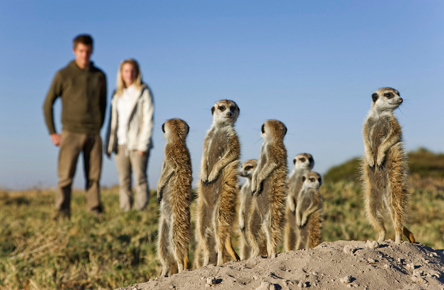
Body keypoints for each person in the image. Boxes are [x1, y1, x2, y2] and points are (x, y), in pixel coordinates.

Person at [43, 34, 107, 219]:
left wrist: (98, 126)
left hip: (94, 134)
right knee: (65, 177)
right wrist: (52, 131)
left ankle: (95, 212)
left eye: (87, 51)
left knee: (94, 177)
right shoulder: (63, 74)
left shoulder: (100, 75)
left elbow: (103, 105)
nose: (84, 55)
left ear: (92, 51)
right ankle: (62, 213)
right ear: (74, 51)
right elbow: (48, 103)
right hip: (70, 132)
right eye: (81, 51)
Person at [105, 59, 154, 211]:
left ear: (137, 72)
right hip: (120, 143)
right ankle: (126, 211)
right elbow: (113, 121)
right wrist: (109, 144)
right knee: (124, 180)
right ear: (121, 73)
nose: (129, 74)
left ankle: (141, 211)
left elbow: (148, 119)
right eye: (126, 71)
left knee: (140, 178)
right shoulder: (117, 94)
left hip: (138, 143)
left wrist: (143, 144)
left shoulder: (143, 91)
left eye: (132, 71)